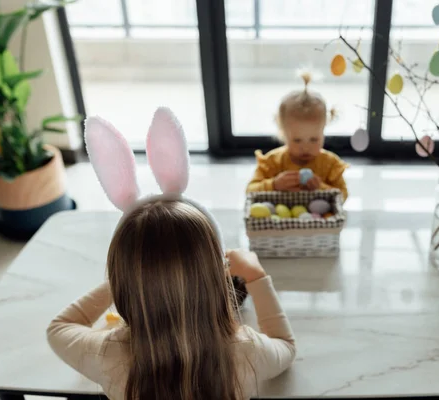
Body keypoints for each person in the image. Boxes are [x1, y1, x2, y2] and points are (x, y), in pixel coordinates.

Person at [46, 107, 296, 400]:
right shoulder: (245, 353)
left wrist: (133, 278)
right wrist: (256, 275)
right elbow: (285, 345)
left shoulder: (108, 356)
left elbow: (59, 328)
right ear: (218, 277)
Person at [246, 71, 349, 200]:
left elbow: (343, 196)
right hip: (281, 219)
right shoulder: (273, 162)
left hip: (318, 219)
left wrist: (321, 188)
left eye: (314, 139)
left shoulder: (329, 165)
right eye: (297, 140)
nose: (305, 148)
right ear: (283, 134)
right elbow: (250, 191)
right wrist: (274, 184)